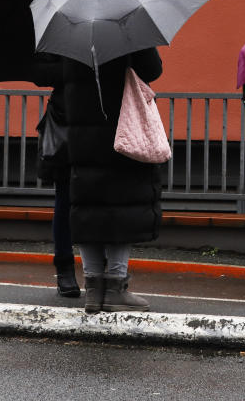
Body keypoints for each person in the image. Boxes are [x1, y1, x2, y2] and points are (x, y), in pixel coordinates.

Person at [43, 48, 164, 313]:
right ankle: (115, 287)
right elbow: (152, 69)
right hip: (119, 128)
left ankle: (93, 288)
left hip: (79, 131)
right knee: (120, 206)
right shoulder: (124, 29)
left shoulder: (71, 33)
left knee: (87, 205)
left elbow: (49, 74)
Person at [29, 55, 79, 298]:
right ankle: (65, 267)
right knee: (65, 198)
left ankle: (107, 274)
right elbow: (39, 72)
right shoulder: (57, 26)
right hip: (66, 124)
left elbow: (151, 69)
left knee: (105, 199)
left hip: (107, 124)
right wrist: (79, 68)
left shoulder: (118, 23)